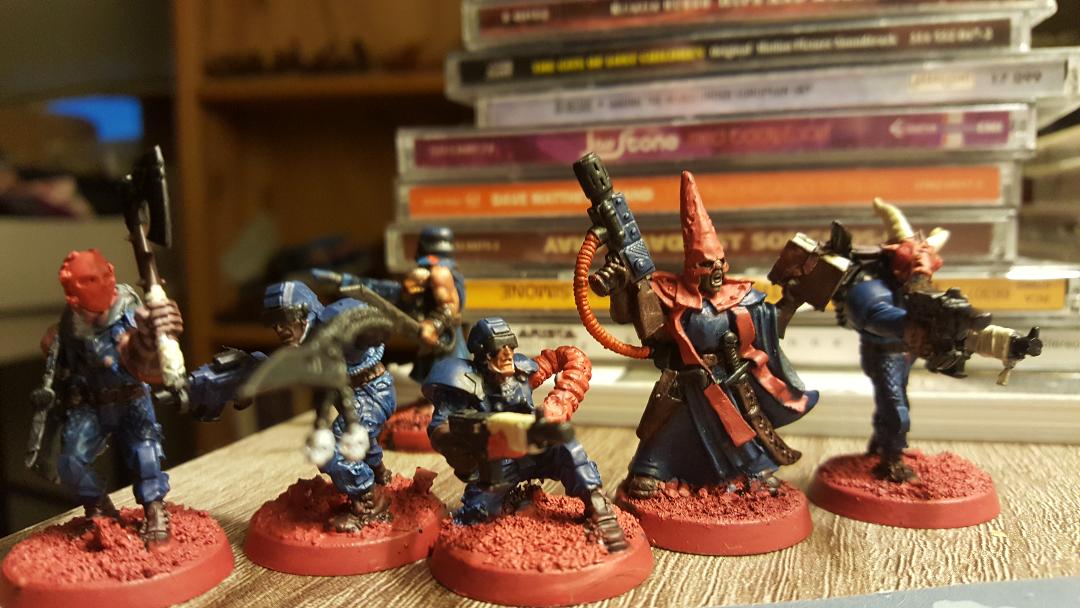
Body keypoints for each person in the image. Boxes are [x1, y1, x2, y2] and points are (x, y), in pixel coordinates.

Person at [609, 172, 819, 499]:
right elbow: (626, 316)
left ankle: (752, 472)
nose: (717, 270)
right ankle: (652, 468)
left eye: (720, 262)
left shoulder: (740, 298)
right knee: (665, 433)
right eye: (708, 264)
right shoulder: (670, 296)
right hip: (683, 385)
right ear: (693, 267)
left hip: (728, 383)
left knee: (736, 431)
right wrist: (620, 286)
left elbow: (770, 324)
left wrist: (793, 299)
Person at [422, 317, 628, 551]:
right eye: (498, 349)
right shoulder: (462, 382)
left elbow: (571, 358)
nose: (507, 354)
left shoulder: (521, 372)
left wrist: (561, 401)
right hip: (497, 464)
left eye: (510, 346)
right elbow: (439, 429)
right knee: (477, 514)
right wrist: (471, 440)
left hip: (535, 450)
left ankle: (598, 507)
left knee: (569, 448)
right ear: (482, 354)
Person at [35, 249, 182, 543]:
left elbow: (148, 365)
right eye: (88, 281)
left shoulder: (131, 312)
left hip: (131, 398)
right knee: (71, 462)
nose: (101, 284)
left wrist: (152, 338)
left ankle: (154, 510)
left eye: (103, 276)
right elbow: (61, 366)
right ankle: (99, 508)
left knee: (146, 455)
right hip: (90, 404)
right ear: (72, 294)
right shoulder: (69, 325)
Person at [261, 281, 396, 530]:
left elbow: (371, 322)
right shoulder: (303, 341)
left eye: (285, 318)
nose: (279, 328)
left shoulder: (333, 320)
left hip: (371, 391)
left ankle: (369, 502)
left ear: (304, 313)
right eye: (273, 322)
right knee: (357, 440)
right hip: (350, 394)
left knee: (334, 450)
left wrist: (367, 328)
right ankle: (378, 473)